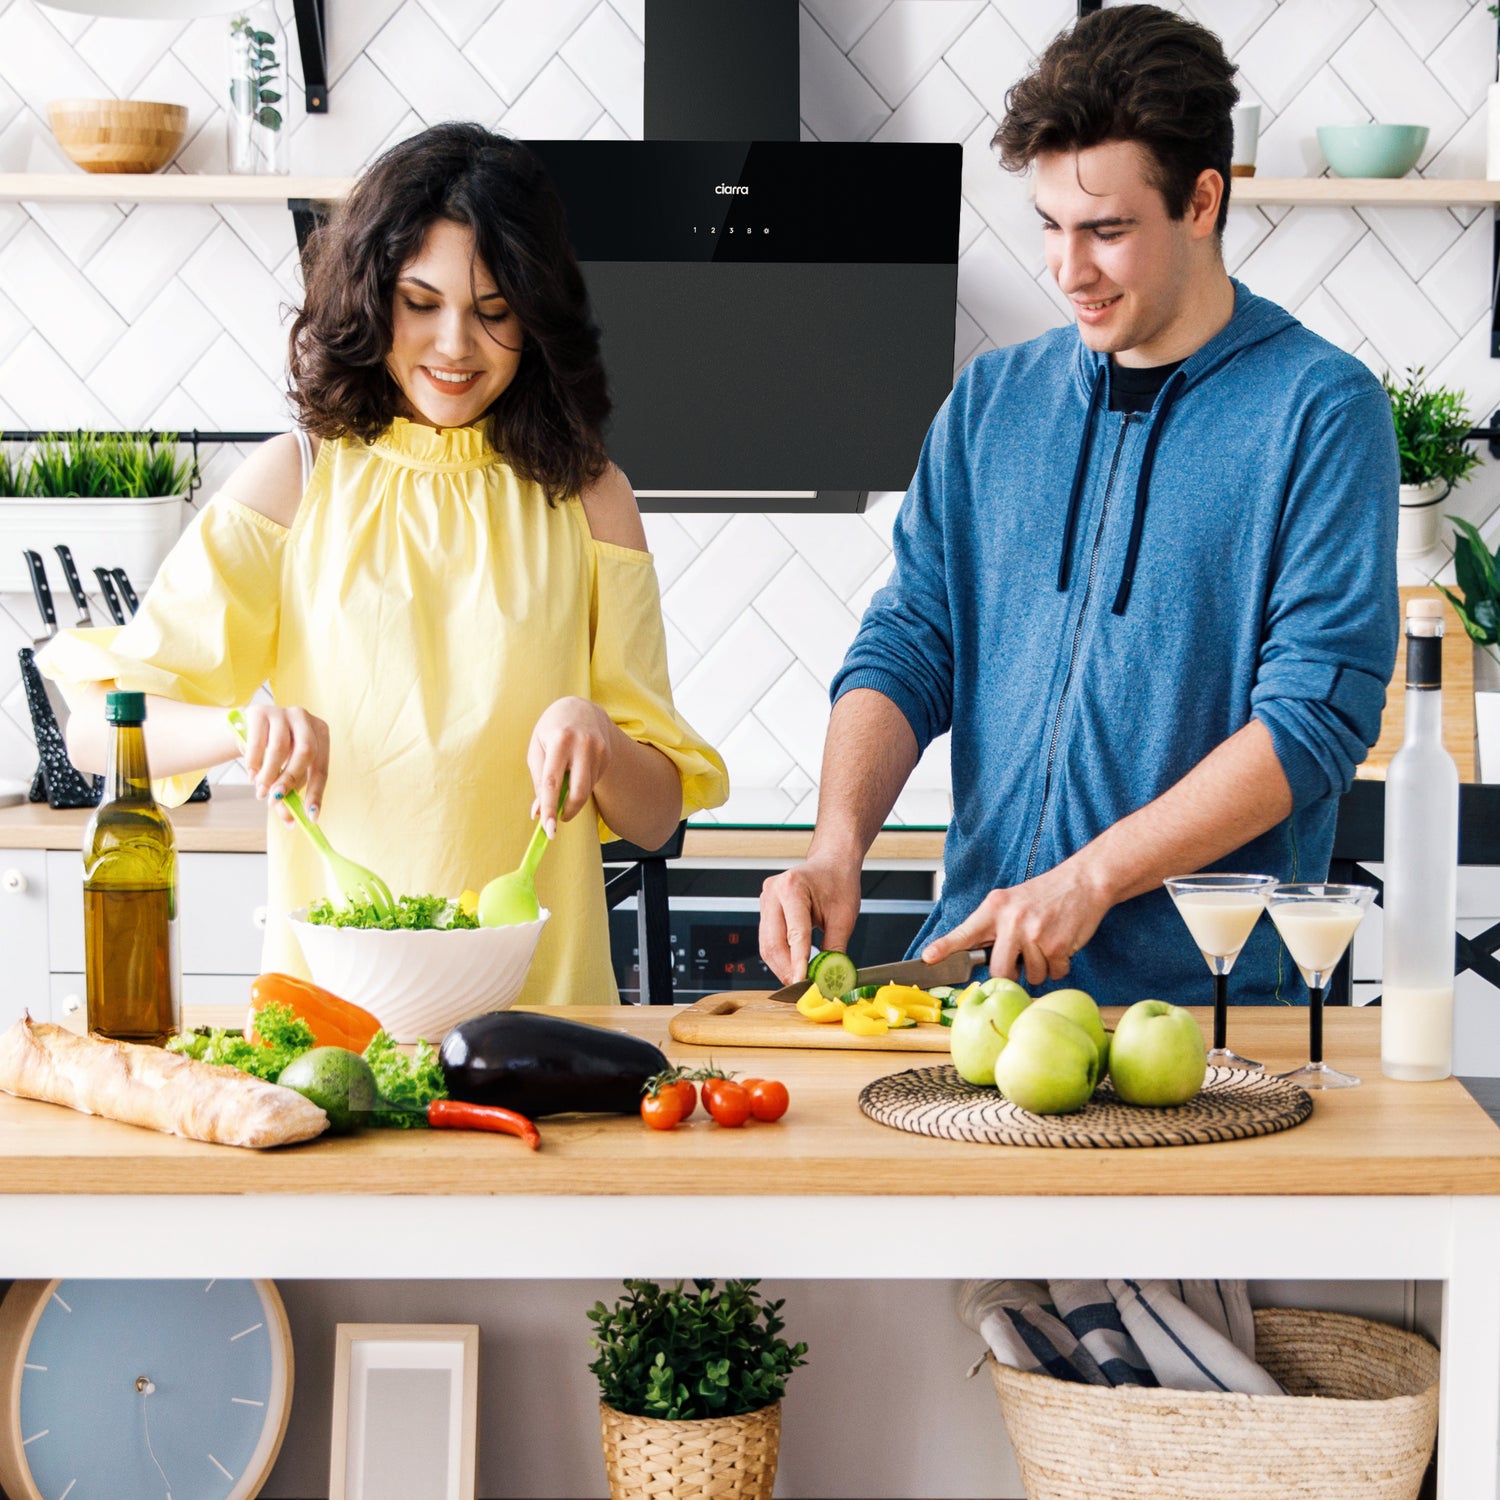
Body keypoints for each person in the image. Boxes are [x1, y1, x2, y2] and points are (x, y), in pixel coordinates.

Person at [759, 4, 1398, 1008]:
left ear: (1201, 200)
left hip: (1199, 1015)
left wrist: (1090, 881)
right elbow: (912, 642)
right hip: (977, 996)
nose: (1069, 270)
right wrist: (836, 846)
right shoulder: (992, 402)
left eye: (1107, 231)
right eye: (1052, 227)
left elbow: (1315, 716)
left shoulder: (1318, 411)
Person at [44, 122, 728, 1005]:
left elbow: (658, 812)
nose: (455, 345)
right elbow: (97, 729)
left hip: (543, 1027)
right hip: (335, 1024)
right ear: (372, 298)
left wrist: (600, 735)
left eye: (493, 312)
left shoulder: (592, 495)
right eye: (420, 302)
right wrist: (243, 728)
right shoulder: (298, 478)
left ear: (535, 317)